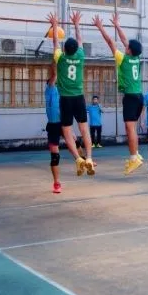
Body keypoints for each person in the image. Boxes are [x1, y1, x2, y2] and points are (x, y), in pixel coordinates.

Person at [93, 13, 143, 173]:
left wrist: (100, 27)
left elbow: (111, 42)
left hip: (130, 97)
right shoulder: (137, 57)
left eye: (127, 46)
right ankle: (136, 155)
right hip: (139, 96)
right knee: (132, 128)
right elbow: (124, 41)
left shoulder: (123, 59)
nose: (125, 46)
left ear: (129, 50)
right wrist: (116, 25)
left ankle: (134, 157)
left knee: (129, 129)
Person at [49, 11, 95, 176]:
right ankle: (89, 158)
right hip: (79, 97)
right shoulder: (81, 56)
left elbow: (55, 41)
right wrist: (76, 23)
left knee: (67, 131)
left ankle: (78, 159)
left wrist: (54, 25)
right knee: (84, 130)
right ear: (75, 49)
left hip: (66, 99)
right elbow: (80, 39)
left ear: (65, 49)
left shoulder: (60, 58)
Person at [46, 63, 63, 194]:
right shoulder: (50, 90)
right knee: (55, 156)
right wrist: (56, 64)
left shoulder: (62, 92)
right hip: (53, 125)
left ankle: (86, 161)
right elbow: (55, 75)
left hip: (64, 124)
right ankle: (56, 183)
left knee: (77, 143)